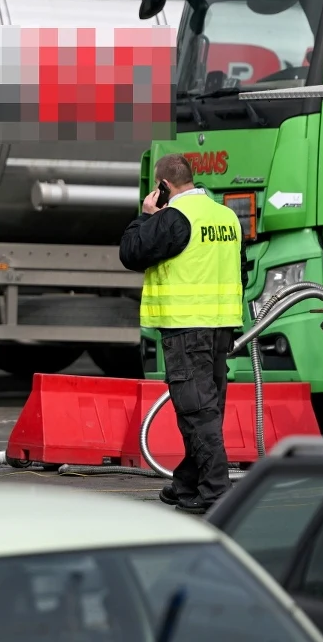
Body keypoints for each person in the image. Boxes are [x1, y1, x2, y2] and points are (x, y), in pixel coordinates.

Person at [120, 153, 242, 514]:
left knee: (196, 411)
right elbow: (242, 269)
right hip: (221, 324)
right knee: (206, 408)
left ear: (163, 186)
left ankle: (215, 491)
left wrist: (145, 215)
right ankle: (188, 482)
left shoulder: (175, 217)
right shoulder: (226, 216)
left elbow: (131, 252)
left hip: (186, 326)